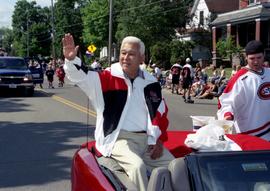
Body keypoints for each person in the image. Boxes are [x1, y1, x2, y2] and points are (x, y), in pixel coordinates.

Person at [62, 33, 174, 191]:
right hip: (118, 139)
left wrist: (159, 140)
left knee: (176, 166)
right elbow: (80, 76)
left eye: (131, 54)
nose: (126, 57)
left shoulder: (151, 82)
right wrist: (71, 60)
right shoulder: (106, 78)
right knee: (137, 167)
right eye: (123, 53)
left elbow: (160, 113)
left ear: (142, 58)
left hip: (147, 140)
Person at [217, 40, 270, 141]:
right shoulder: (239, 78)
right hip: (250, 134)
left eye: (259, 57)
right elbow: (225, 102)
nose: (256, 61)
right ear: (246, 58)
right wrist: (227, 115)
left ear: (264, 55)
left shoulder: (268, 72)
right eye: (252, 58)